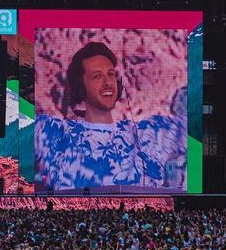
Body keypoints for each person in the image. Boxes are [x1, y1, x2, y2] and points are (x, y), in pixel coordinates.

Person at [34, 41, 187, 192]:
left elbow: (191, 126)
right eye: (97, 76)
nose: (107, 82)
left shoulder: (148, 135)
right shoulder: (53, 133)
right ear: (80, 87)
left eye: (111, 74)